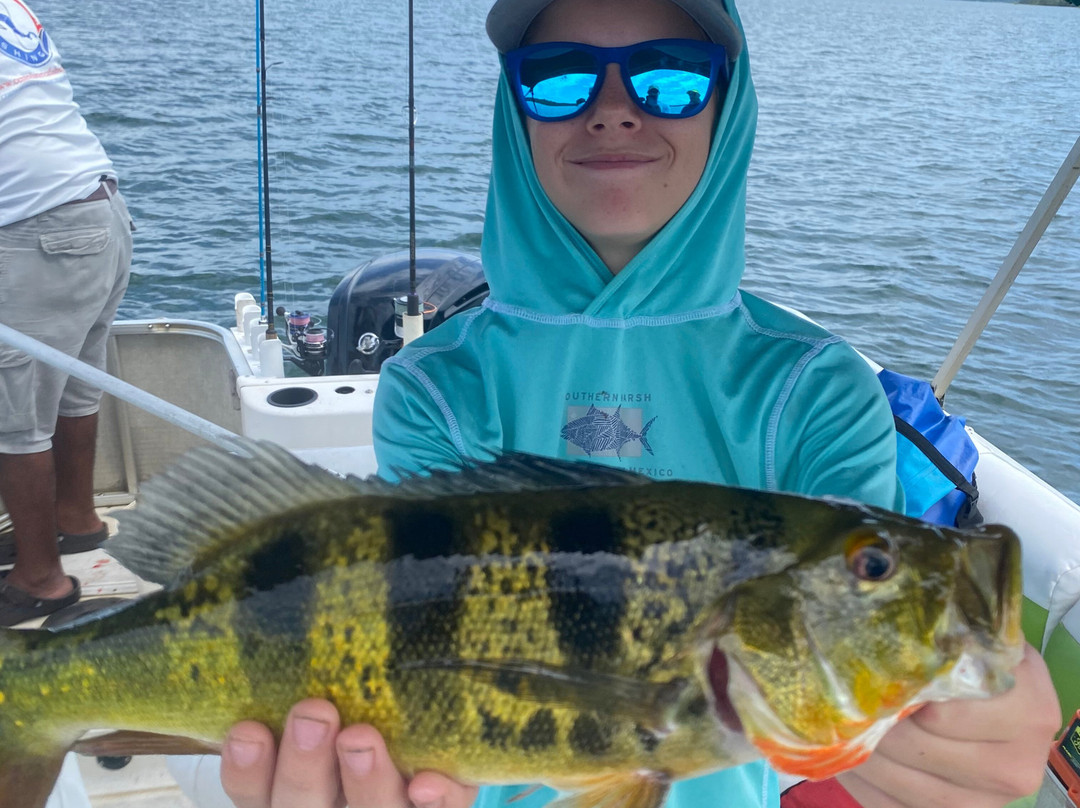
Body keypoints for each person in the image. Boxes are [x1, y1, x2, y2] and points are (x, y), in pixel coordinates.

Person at [217, 0, 1060, 806]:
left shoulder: (815, 391)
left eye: (671, 78)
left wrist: (958, 731)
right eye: (557, 78)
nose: (614, 110)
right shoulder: (433, 385)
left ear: (727, 110)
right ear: (514, 114)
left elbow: (838, 643)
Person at [0, 0, 133, 627]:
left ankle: (39, 579)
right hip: (101, 210)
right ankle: (74, 521)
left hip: (35, 228)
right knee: (76, 386)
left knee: (13, 416)